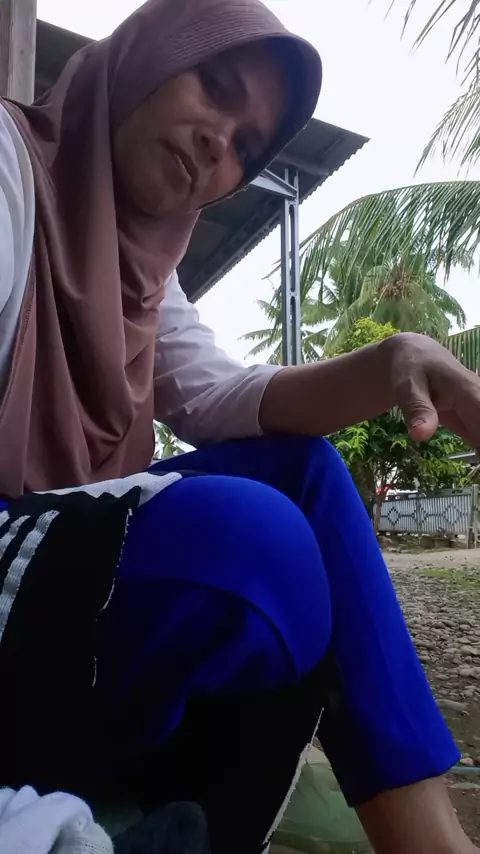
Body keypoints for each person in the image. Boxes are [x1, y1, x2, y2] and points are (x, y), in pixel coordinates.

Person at [0, 0, 479, 852]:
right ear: (145, 58)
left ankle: (428, 843)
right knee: (252, 544)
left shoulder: (145, 279)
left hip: (60, 613)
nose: (218, 140)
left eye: (247, 147)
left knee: (305, 473)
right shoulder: (10, 174)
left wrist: (393, 360)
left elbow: (225, 396)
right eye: (215, 88)